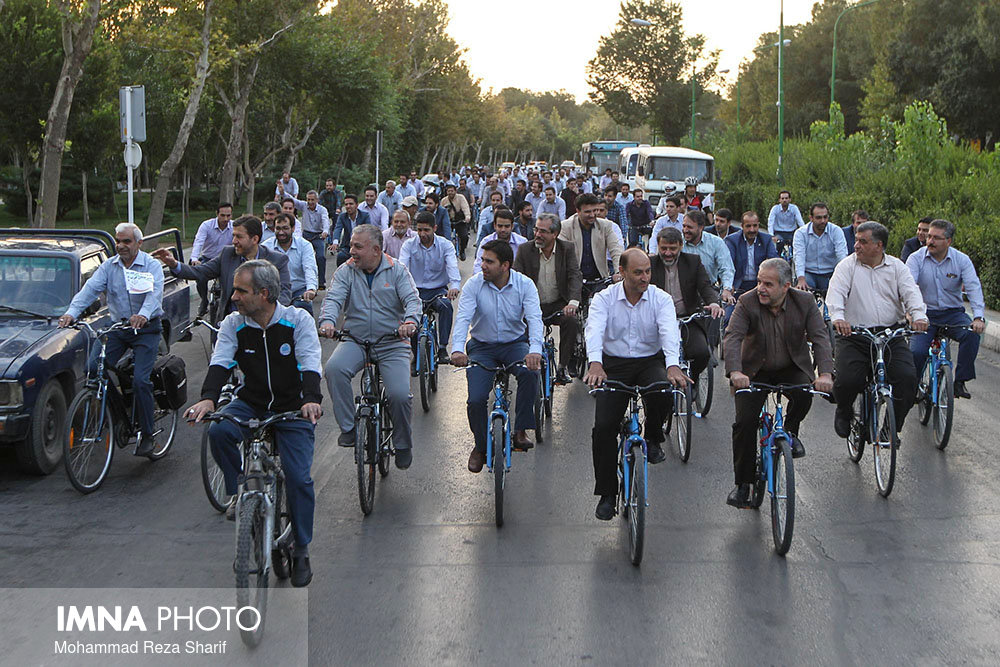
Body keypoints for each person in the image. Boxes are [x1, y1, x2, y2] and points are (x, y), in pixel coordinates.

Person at [186, 260, 321, 586]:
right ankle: (241, 495)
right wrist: (207, 397)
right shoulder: (234, 323)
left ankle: (301, 547)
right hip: (251, 403)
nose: (233, 297)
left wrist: (311, 400)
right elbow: (221, 361)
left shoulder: (297, 320)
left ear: (263, 294)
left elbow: (310, 362)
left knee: (299, 479)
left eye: (240, 291)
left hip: (293, 408)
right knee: (218, 430)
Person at [585, 249, 688, 519]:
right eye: (637, 272)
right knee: (604, 427)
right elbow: (594, 329)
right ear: (622, 272)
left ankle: (653, 438)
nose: (645, 277)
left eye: (648, 271)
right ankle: (607, 493)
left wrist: (672, 364)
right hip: (613, 364)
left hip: (648, 361)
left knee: (663, 392)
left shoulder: (660, 298)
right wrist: (595, 362)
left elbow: (668, 331)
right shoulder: (604, 298)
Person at [723, 258, 834, 508]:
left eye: (768, 284)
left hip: (791, 366)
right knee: (745, 423)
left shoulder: (804, 302)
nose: (761, 288)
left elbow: (820, 338)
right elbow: (732, 337)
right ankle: (743, 485)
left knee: (804, 394)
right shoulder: (747, 301)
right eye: (760, 282)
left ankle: (791, 431)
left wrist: (825, 374)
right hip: (753, 371)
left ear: (786, 286)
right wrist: (735, 372)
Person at [318, 224, 420, 470]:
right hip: (356, 339)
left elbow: (411, 300)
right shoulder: (345, 271)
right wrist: (328, 321)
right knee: (333, 369)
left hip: (392, 343)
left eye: (357, 246)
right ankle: (350, 428)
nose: (351, 250)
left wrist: (410, 322)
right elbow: (333, 299)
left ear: (376, 250)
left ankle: (403, 443)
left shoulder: (397, 270)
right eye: (351, 245)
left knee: (398, 394)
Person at [59, 222, 165, 458]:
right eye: (118, 241)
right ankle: (117, 415)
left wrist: (143, 316)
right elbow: (90, 290)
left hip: (146, 329)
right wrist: (71, 313)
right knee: (93, 369)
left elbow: (154, 295)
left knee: (140, 381)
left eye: (126, 241)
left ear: (139, 243)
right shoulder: (109, 267)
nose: (121, 246)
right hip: (118, 328)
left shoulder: (151, 266)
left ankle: (148, 434)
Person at [827, 222, 928, 439]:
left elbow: (911, 293)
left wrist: (918, 316)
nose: (856, 246)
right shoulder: (847, 266)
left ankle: (891, 428)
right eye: (856, 240)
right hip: (854, 335)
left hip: (890, 335)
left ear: (879, 245)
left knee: (908, 379)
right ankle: (844, 410)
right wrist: (838, 318)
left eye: (863, 242)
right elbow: (835, 295)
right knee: (847, 380)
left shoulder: (897, 267)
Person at [450, 239, 543, 469]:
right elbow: (462, 319)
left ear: (505, 266)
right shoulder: (473, 285)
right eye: (482, 260)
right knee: (476, 399)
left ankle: (520, 430)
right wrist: (457, 349)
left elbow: (534, 318)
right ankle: (480, 446)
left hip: (515, 345)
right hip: (482, 347)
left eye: (489, 262)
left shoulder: (525, 284)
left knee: (530, 373)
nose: (482, 265)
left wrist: (534, 351)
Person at [154, 215, 291, 323]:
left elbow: (284, 294)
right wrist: (174, 264)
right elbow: (200, 272)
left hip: (263, 322)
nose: (233, 241)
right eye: (233, 236)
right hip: (229, 322)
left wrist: (267, 316)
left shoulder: (277, 260)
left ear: (255, 239)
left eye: (239, 237)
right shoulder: (227, 254)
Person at [907, 219, 987, 399]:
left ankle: (960, 381)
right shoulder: (916, 259)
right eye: (929, 237)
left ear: (948, 241)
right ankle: (913, 386)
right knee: (917, 351)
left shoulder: (961, 260)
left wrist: (979, 318)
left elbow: (973, 287)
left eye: (936, 238)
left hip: (953, 313)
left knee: (972, 335)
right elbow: (908, 287)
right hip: (925, 314)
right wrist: (913, 315)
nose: (930, 241)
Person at [513, 213, 582, 385]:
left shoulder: (567, 249)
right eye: (536, 229)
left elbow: (575, 275)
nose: (537, 234)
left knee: (571, 321)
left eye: (543, 231)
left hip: (558, 304)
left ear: (555, 234)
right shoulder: (524, 250)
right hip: (532, 305)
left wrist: (573, 302)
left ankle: (562, 366)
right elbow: (515, 279)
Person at [650, 227, 724, 385]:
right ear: (658, 246)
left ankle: (693, 381)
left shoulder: (693, 262)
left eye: (672, 248)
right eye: (664, 248)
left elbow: (705, 287)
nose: (668, 253)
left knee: (702, 353)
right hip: (658, 322)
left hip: (688, 319)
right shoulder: (650, 264)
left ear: (681, 246)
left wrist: (713, 303)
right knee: (655, 356)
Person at [399, 211, 461, 367]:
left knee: (446, 306)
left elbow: (452, 266)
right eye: (419, 230)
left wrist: (454, 286)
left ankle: (442, 348)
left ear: (434, 228)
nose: (422, 234)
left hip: (438, 290)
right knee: (412, 318)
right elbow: (402, 268)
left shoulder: (445, 245)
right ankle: (415, 355)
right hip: (415, 291)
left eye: (426, 230)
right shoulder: (409, 245)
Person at [559, 193, 624, 282]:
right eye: (587, 212)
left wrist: (618, 272)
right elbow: (561, 254)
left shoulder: (606, 225)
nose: (593, 215)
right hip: (573, 280)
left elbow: (616, 250)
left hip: (600, 279)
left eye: (595, 210)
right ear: (578, 211)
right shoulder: (565, 227)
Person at [278, 185, 331, 290]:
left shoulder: (322, 210)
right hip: (306, 235)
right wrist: (283, 193)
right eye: (308, 200)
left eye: (312, 200)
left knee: (320, 257)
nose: (310, 202)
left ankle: (321, 282)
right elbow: (293, 200)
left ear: (317, 200)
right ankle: (303, 281)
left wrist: (325, 231)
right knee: (301, 257)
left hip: (318, 235)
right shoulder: (303, 206)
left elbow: (325, 221)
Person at [263, 213, 318, 314]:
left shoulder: (304, 245)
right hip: (275, 292)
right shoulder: (266, 247)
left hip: (298, 291)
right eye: (278, 228)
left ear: (293, 228)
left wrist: (311, 289)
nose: (281, 232)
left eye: (285, 228)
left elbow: (309, 268)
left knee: (303, 306)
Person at [680, 210, 736, 305]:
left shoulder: (716, 242)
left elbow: (726, 268)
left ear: (701, 227)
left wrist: (726, 289)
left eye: (689, 227)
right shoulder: (678, 242)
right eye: (684, 226)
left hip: (708, 291)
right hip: (682, 292)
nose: (685, 230)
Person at [792, 202, 848, 291]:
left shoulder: (836, 231)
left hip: (830, 273)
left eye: (825, 217)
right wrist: (801, 279)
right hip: (809, 273)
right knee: (803, 293)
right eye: (818, 218)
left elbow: (841, 254)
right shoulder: (801, 233)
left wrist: (844, 277)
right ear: (811, 218)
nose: (823, 221)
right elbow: (799, 256)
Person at [190, 203, 233, 316]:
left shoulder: (234, 227)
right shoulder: (206, 225)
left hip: (225, 259)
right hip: (207, 258)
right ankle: (204, 300)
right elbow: (199, 242)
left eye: (228, 216)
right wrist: (194, 258)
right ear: (217, 214)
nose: (225, 219)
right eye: (222, 215)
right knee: (200, 276)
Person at [726, 211, 778, 293]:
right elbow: (728, 265)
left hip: (760, 284)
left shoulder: (766, 239)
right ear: (742, 226)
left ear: (758, 225)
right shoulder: (732, 240)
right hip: (738, 285)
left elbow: (774, 262)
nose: (752, 230)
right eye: (748, 226)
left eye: (755, 226)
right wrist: (728, 285)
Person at [474, 209, 527, 273]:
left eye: (507, 226)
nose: (503, 230)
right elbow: (478, 266)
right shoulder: (486, 242)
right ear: (495, 226)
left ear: (512, 226)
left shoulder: (522, 243)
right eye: (500, 226)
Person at [329, 193, 371, 266]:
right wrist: (335, 242)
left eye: (351, 204)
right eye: (346, 204)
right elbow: (338, 228)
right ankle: (340, 276)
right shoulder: (342, 216)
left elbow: (368, 231)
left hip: (361, 245)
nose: (348, 206)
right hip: (347, 246)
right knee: (340, 256)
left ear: (357, 205)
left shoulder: (365, 216)